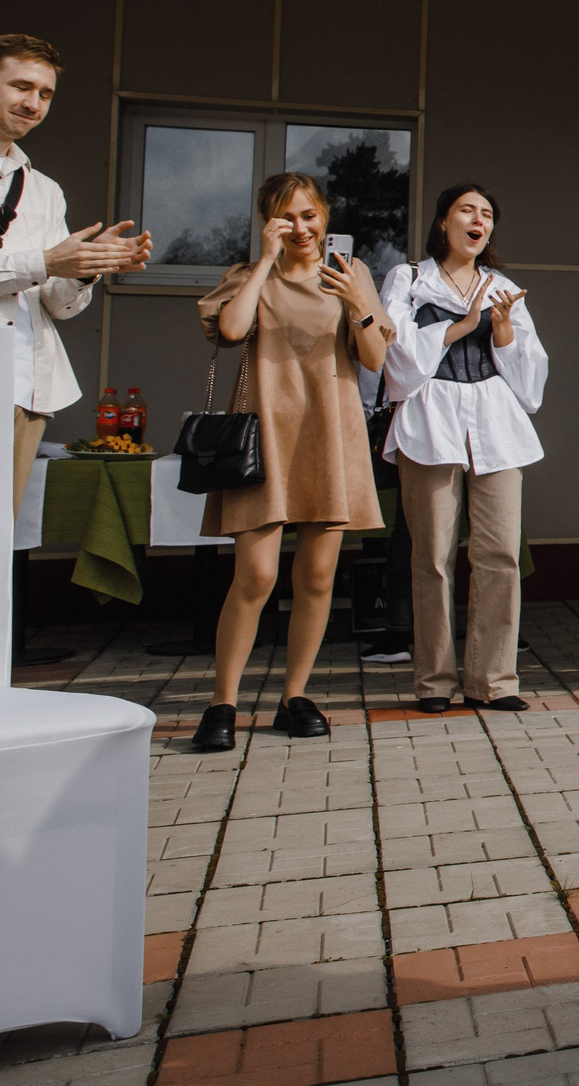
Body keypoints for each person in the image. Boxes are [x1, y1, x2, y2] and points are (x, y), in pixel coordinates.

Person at [189, 172, 392, 753]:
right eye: (287, 217)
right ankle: (222, 702)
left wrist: (357, 303)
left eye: (310, 215)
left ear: (325, 216)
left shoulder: (351, 274)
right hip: (264, 437)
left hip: (330, 433)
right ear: (267, 222)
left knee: (318, 576)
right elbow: (230, 331)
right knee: (255, 575)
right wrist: (264, 261)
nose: (301, 228)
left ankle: (294, 696)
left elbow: (375, 358)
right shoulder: (249, 276)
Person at [379, 184, 549, 711]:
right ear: (443, 221)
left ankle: (493, 680)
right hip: (429, 419)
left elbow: (530, 384)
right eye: (467, 210)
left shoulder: (503, 286)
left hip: (495, 423)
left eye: (487, 214)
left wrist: (502, 331)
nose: (479, 220)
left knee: (500, 554)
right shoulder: (409, 279)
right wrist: (460, 328)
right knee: (432, 557)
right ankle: (434, 681)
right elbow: (394, 359)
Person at [0, 35, 149, 509]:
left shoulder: (44, 190)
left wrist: (87, 267)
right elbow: (39, 267)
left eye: (45, 94)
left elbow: (57, 305)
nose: (33, 104)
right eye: (21, 87)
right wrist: (46, 262)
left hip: (26, 389)